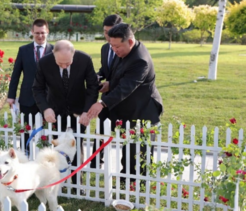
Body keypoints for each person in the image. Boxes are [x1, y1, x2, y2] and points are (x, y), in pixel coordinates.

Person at [87, 23, 163, 183]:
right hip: (128, 110)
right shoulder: (123, 52)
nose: (114, 50)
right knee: (128, 150)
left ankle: (137, 186)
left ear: (129, 41)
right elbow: (118, 77)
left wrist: (102, 103)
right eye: (111, 46)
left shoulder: (140, 60)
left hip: (143, 111)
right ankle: (126, 181)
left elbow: (126, 87)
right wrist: (109, 84)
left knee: (137, 154)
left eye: (117, 46)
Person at [32, 40, 98, 193]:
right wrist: (46, 109)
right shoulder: (44, 63)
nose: (64, 66)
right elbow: (37, 88)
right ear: (53, 55)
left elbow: (93, 87)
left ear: (73, 54)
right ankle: (57, 182)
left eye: (67, 63)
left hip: (79, 111)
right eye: (60, 63)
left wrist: (86, 111)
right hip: (55, 111)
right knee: (57, 147)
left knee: (77, 145)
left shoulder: (85, 60)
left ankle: (77, 184)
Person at [7, 19, 53, 153]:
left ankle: (44, 157)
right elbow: (16, 74)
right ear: (32, 32)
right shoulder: (24, 50)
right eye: (37, 33)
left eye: (43, 33)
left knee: (46, 131)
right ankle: (25, 156)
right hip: (27, 98)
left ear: (47, 32)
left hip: (47, 98)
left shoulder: (54, 50)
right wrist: (11, 96)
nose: (40, 36)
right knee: (25, 130)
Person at [90, 14, 122, 169]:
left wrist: (111, 84)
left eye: (111, 32)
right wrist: (98, 76)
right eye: (105, 32)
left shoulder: (125, 49)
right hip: (106, 98)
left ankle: (127, 169)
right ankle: (96, 162)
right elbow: (105, 69)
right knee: (100, 131)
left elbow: (126, 75)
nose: (108, 36)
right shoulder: (104, 48)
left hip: (123, 98)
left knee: (126, 136)